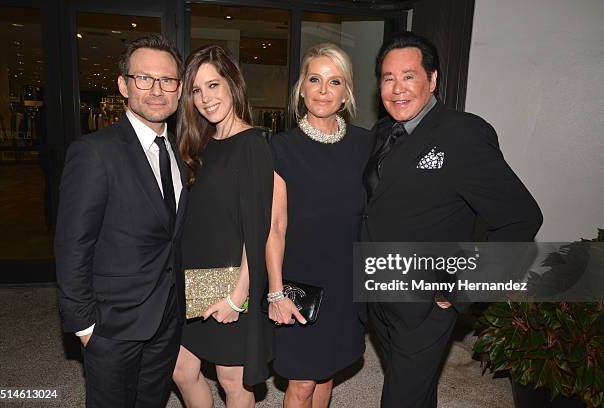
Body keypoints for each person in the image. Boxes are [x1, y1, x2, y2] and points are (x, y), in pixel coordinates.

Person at [362, 32, 543, 408]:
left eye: (408, 76)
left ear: (432, 80)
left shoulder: (463, 133)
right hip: (378, 297)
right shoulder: (381, 133)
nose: (397, 89)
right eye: (387, 78)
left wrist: (463, 290)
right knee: (415, 390)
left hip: (426, 304)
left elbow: (520, 218)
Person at [55, 34, 186, 407]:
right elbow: (72, 244)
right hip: (112, 323)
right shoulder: (94, 152)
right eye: (144, 78)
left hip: (166, 315)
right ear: (123, 85)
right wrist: (85, 326)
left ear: (178, 89)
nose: (157, 90)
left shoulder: (177, 149)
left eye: (167, 80)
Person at [266, 43, 370, 408]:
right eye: (315, 79)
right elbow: (275, 226)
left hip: (345, 280)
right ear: (302, 88)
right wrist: (276, 292)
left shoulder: (364, 145)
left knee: (328, 372)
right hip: (301, 282)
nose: (323, 90)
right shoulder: (281, 147)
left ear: (346, 93)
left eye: (334, 81)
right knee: (302, 383)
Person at [172, 45, 274, 408]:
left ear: (232, 84)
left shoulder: (252, 145)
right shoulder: (199, 143)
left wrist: (238, 296)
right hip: (192, 279)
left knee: (233, 382)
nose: (204, 98)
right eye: (196, 90)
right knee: (182, 370)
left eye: (213, 85)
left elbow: (257, 230)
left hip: (230, 280)